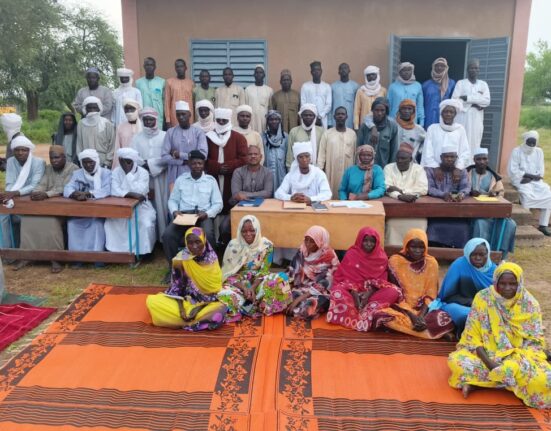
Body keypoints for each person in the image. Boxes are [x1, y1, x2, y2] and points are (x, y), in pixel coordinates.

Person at [448, 262, 551, 409]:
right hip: (486, 355)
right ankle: (508, 383)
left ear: (520, 283)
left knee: (545, 379)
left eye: (513, 284)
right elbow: (472, 337)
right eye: (503, 283)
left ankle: (482, 384)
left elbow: (535, 342)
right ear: (496, 282)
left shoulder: (530, 304)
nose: (507, 288)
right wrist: (489, 363)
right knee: (457, 362)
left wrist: (514, 363)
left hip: (518, 356)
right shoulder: (483, 298)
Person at [146, 227, 227, 331]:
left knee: (221, 308)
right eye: (190, 243)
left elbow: (216, 291)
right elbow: (177, 288)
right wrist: (181, 310)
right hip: (186, 300)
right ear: (185, 243)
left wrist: (198, 308)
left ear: (204, 240)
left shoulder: (211, 259)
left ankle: (182, 321)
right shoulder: (180, 259)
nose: (194, 246)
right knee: (153, 302)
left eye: (198, 242)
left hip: (209, 302)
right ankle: (195, 321)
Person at [381, 229, 454, 339]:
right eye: (413, 247)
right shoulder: (395, 261)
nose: (417, 251)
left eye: (421, 247)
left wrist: (421, 316)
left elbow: (431, 295)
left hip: (424, 308)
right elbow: (395, 292)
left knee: (445, 316)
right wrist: (411, 315)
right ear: (406, 246)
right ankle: (434, 332)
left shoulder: (431, 263)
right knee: (382, 315)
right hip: (401, 307)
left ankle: (420, 328)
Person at [162, 150, 223, 281]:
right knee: (167, 235)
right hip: (184, 216)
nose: (197, 166)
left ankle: (209, 267)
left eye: (200, 163)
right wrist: (175, 211)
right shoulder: (181, 179)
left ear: (203, 164)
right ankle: (175, 269)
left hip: (202, 216)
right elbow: (173, 200)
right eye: (194, 163)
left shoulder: (210, 181)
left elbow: (218, 203)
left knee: (208, 234)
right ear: (189, 164)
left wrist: (207, 214)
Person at [326, 227, 401, 331]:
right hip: (351, 293)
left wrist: (369, 293)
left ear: (377, 242)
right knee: (337, 291)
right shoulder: (352, 254)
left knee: (393, 292)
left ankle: (368, 309)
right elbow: (343, 277)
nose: (368, 244)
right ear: (359, 240)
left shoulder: (381, 257)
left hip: (372, 293)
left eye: (372, 241)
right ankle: (357, 313)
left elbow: (381, 281)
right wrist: (354, 292)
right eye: (365, 240)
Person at [218, 215, 291, 319]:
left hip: (258, 283)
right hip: (238, 284)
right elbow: (228, 273)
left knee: (281, 279)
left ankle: (251, 305)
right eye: (244, 231)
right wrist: (244, 289)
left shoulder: (266, 245)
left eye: (252, 230)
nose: (248, 234)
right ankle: (249, 305)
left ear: (257, 229)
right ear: (240, 231)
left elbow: (264, 271)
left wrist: (252, 288)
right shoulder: (233, 245)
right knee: (223, 294)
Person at [17, 146, 78, 273]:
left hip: (64, 208)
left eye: (57, 157)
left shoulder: (73, 168)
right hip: (46, 207)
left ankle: (55, 258)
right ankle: (27, 256)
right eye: (51, 158)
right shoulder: (48, 169)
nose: (54, 160)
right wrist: (36, 192)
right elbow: (42, 184)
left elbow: (66, 188)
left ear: (64, 157)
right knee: (27, 219)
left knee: (50, 221)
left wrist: (47, 194)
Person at [430, 238, 496, 335]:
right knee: (464, 316)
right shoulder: (459, 265)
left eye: (482, 255)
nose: (478, 258)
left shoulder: (494, 271)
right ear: (468, 254)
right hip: (461, 306)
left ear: (488, 254)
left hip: (486, 307)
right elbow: (448, 296)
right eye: (473, 254)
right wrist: (472, 302)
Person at [206, 107, 248, 247]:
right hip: (214, 177)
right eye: (219, 120)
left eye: (224, 120)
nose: (221, 123)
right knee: (214, 204)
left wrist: (228, 166)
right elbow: (203, 159)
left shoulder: (238, 137)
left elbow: (244, 158)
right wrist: (217, 167)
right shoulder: (208, 137)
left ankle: (228, 240)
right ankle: (214, 240)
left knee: (229, 204)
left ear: (229, 120)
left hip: (232, 178)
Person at [105, 148, 157, 255]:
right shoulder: (116, 172)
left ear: (134, 161)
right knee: (110, 223)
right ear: (120, 161)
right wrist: (130, 194)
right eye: (123, 162)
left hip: (141, 207)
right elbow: (114, 191)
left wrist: (128, 174)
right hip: (121, 206)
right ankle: (118, 253)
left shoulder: (143, 172)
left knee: (145, 223)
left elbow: (141, 192)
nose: (126, 165)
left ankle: (144, 252)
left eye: (128, 162)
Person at [63, 149, 111, 260]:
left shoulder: (106, 173)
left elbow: (107, 190)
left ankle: (97, 259)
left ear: (96, 161)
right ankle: (77, 258)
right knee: (72, 224)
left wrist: (88, 194)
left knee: (97, 225)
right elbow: (67, 188)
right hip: (81, 212)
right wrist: (74, 194)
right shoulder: (77, 173)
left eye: (91, 162)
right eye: (85, 162)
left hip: (98, 213)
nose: (88, 165)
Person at [468, 148, 516, 256]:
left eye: (484, 159)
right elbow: (461, 189)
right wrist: (470, 193)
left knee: (510, 224)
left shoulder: (493, 176)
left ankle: (501, 255)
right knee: (480, 223)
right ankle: (480, 254)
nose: (482, 162)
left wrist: (495, 194)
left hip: (492, 211)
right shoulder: (467, 173)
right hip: (473, 212)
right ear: (474, 160)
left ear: (487, 160)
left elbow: (500, 193)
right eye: (479, 159)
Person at [0, 136, 45, 249]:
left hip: (31, 198)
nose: (20, 153)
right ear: (13, 150)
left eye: (24, 150)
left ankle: (22, 250)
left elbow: (34, 185)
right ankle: (8, 250)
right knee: (3, 214)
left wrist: (14, 193)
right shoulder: (11, 161)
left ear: (29, 150)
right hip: (14, 197)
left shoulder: (39, 162)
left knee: (20, 217)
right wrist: (7, 196)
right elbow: (10, 182)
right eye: (17, 150)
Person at [131, 107, 169, 242]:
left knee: (162, 205)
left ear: (156, 120)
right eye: (145, 120)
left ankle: (163, 238)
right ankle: (150, 240)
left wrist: (151, 163)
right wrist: (144, 165)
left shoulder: (165, 136)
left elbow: (168, 157)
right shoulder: (136, 138)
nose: (148, 122)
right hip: (143, 177)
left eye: (151, 120)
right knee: (148, 207)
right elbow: (133, 157)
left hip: (162, 177)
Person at [287, 226, 339, 320]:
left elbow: (325, 283)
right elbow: (292, 270)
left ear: (320, 242)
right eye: (306, 240)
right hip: (302, 287)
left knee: (307, 309)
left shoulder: (329, 257)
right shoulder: (302, 251)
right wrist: (285, 286)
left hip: (320, 292)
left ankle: (302, 308)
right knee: (282, 299)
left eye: (312, 241)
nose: (307, 244)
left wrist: (299, 299)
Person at [425, 147, 471, 248]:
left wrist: (461, 195)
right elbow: (429, 188)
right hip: (436, 212)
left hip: (456, 211)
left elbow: (466, 187)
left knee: (463, 226)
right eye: (446, 157)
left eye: (452, 157)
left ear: (456, 158)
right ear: (441, 157)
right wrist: (443, 195)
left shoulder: (462, 171)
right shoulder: (431, 170)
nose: (449, 159)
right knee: (434, 225)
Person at [383, 143, 428, 245]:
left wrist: (401, 191)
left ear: (410, 159)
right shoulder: (388, 168)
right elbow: (387, 187)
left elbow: (423, 189)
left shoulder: (418, 169)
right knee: (391, 224)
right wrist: (400, 196)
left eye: (403, 158)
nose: (399, 161)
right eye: (398, 158)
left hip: (415, 210)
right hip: (394, 211)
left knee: (421, 224)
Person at [508, 130, 551, 236]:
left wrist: (530, 177)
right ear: (525, 141)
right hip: (520, 180)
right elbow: (513, 170)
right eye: (529, 142)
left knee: (547, 192)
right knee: (526, 193)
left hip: (534, 180)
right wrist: (526, 176)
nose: (531, 145)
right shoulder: (516, 151)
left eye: (533, 143)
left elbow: (540, 171)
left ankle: (543, 225)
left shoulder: (539, 152)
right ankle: (525, 223)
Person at [161, 100, 208, 190]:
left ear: (189, 115)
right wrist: (182, 162)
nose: (181, 117)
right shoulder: (170, 132)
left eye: (183, 114)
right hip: (175, 175)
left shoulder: (198, 132)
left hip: (194, 174)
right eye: (178, 115)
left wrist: (179, 155)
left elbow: (203, 155)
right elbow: (164, 156)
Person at [452, 58, 491, 154]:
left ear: (479, 70)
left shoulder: (483, 85)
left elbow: (486, 101)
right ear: (467, 70)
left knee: (475, 141)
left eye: (476, 68)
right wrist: (475, 102)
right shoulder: (460, 83)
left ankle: (472, 162)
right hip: (462, 117)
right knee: (461, 141)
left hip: (477, 119)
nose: (474, 70)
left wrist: (467, 98)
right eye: (471, 68)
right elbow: (455, 100)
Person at [317, 107, 357, 198]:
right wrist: (320, 170)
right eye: (338, 114)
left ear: (346, 117)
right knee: (331, 193)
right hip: (331, 170)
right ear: (334, 117)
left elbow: (355, 154)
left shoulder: (352, 134)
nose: (340, 116)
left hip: (347, 170)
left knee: (346, 194)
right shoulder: (327, 134)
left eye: (342, 114)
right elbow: (321, 154)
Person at [421, 99, 471, 170]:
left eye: (451, 112)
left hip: (455, 169)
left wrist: (458, 168)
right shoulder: (432, 128)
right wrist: (436, 167)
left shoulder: (460, 129)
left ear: (455, 114)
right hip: (433, 169)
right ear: (441, 113)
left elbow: (465, 152)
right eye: (446, 112)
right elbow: (427, 152)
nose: (448, 114)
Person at [356, 97, 398, 168]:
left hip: (383, 168)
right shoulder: (365, 126)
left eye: (382, 110)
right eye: (376, 110)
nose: (379, 113)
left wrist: (391, 169)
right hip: (365, 168)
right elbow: (358, 148)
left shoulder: (392, 126)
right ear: (372, 110)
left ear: (386, 111)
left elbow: (394, 150)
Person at [76, 96, 116, 169]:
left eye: (94, 108)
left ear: (99, 109)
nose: (92, 111)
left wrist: (107, 162)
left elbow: (112, 145)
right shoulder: (81, 124)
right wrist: (81, 159)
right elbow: (79, 145)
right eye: (89, 108)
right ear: (85, 109)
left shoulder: (107, 123)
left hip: (103, 160)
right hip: (86, 161)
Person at [285, 104, 324, 170]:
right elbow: (290, 153)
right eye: (305, 115)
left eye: (310, 115)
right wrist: (290, 169)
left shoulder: (321, 132)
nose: (308, 117)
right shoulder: (294, 131)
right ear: (301, 116)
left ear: (314, 117)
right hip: (298, 169)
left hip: (317, 169)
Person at [422, 58, 456, 129]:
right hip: (429, 116)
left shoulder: (452, 83)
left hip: (445, 116)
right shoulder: (426, 85)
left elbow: (454, 101)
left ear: (446, 68)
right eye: (437, 65)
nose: (439, 68)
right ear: (433, 67)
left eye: (442, 66)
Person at [354, 65, 386, 130]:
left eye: (373, 74)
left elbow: (386, 109)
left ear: (377, 75)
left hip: (380, 125)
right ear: (366, 77)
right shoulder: (361, 91)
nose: (371, 76)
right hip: (364, 126)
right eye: (368, 75)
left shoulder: (383, 90)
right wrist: (356, 127)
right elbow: (356, 111)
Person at [262, 110, 288, 192]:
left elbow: (288, 155)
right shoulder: (262, 136)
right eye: (271, 119)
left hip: (282, 171)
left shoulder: (285, 137)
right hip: (267, 170)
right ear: (267, 121)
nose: (274, 121)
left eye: (276, 119)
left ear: (280, 121)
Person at [300, 61, 332, 128]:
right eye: (314, 70)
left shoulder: (327, 86)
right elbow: (303, 104)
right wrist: (313, 117)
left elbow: (328, 105)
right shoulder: (305, 86)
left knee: (322, 134)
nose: (316, 72)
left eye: (318, 70)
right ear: (311, 72)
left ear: (321, 71)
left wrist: (320, 117)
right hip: (308, 119)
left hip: (322, 119)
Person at [112, 99, 142, 169]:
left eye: (131, 109)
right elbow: (117, 147)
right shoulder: (120, 127)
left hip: (140, 162)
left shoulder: (143, 126)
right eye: (127, 109)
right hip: (125, 163)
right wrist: (116, 167)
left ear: (137, 110)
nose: (129, 112)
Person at [165, 59, 195, 128]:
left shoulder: (191, 83)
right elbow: (167, 102)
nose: (179, 69)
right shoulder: (169, 82)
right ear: (175, 69)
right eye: (177, 67)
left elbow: (193, 103)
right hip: (175, 117)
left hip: (189, 117)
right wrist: (168, 120)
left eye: (181, 66)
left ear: (186, 68)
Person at [135, 57, 166, 125]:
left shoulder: (161, 82)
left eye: (151, 65)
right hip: (144, 117)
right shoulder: (138, 83)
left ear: (155, 67)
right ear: (144, 66)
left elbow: (164, 101)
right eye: (147, 65)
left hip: (158, 116)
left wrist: (165, 117)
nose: (149, 67)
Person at [395, 99, 426, 163]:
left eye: (409, 109)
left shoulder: (418, 129)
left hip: (411, 163)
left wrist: (418, 151)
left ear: (413, 111)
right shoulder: (393, 125)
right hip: (393, 162)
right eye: (404, 108)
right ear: (399, 110)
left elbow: (427, 141)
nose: (407, 111)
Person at [245, 65, 273, 133]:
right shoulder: (248, 89)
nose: (258, 74)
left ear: (264, 75)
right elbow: (246, 106)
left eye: (260, 72)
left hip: (264, 119)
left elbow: (270, 108)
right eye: (257, 72)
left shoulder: (269, 90)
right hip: (252, 119)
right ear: (254, 75)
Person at [330, 63, 359, 129]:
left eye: (345, 68)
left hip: (350, 119)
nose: (343, 70)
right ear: (338, 72)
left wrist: (356, 122)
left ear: (349, 70)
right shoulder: (333, 86)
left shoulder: (355, 86)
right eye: (341, 68)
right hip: (335, 120)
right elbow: (330, 106)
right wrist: (329, 122)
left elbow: (357, 106)